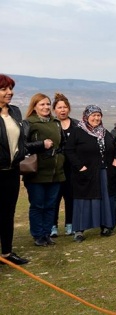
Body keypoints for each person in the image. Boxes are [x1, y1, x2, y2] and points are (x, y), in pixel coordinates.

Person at [65, 105, 116, 242]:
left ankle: (106, 225)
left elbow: (113, 147)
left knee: (105, 199)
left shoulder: (105, 132)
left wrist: (115, 160)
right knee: (84, 200)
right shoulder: (78, 132)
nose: (96, 118)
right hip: (86, 173)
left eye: (98, 115)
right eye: (93, 115)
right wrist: (80, 167)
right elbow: (69, 150)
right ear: (86, 116)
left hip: (104, 172)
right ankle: (79, 230)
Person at [23, 93, 65, 247]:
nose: (46, 107)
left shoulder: (56, 123)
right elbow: (22, 146)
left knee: (50, 205)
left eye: (48, 104)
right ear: (34, 107)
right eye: (42, 104)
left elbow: (62, 145)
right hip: (36, 172)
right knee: (37, 205)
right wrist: (41, 144)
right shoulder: (28, 123)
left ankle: (47, 234)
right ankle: (38, 235)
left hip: (55, 172)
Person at [0, 74, 29, 265]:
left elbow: (20, 142)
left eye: (11, 88)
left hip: (12, 171)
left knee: (8, 212)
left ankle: (6, 253)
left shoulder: (15, 112)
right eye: (4, 89)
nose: (9, 93)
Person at [51, 92, 79, 237]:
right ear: (54, 109)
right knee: (55, 197)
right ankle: (53, 225)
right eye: (59, 107)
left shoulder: (76, 125)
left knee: (70, 196)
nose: (62, 110)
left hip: (72, 168)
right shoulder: (51, 125)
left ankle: (70, 224)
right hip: (56, 167)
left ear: (69, 108)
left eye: (65, 107)